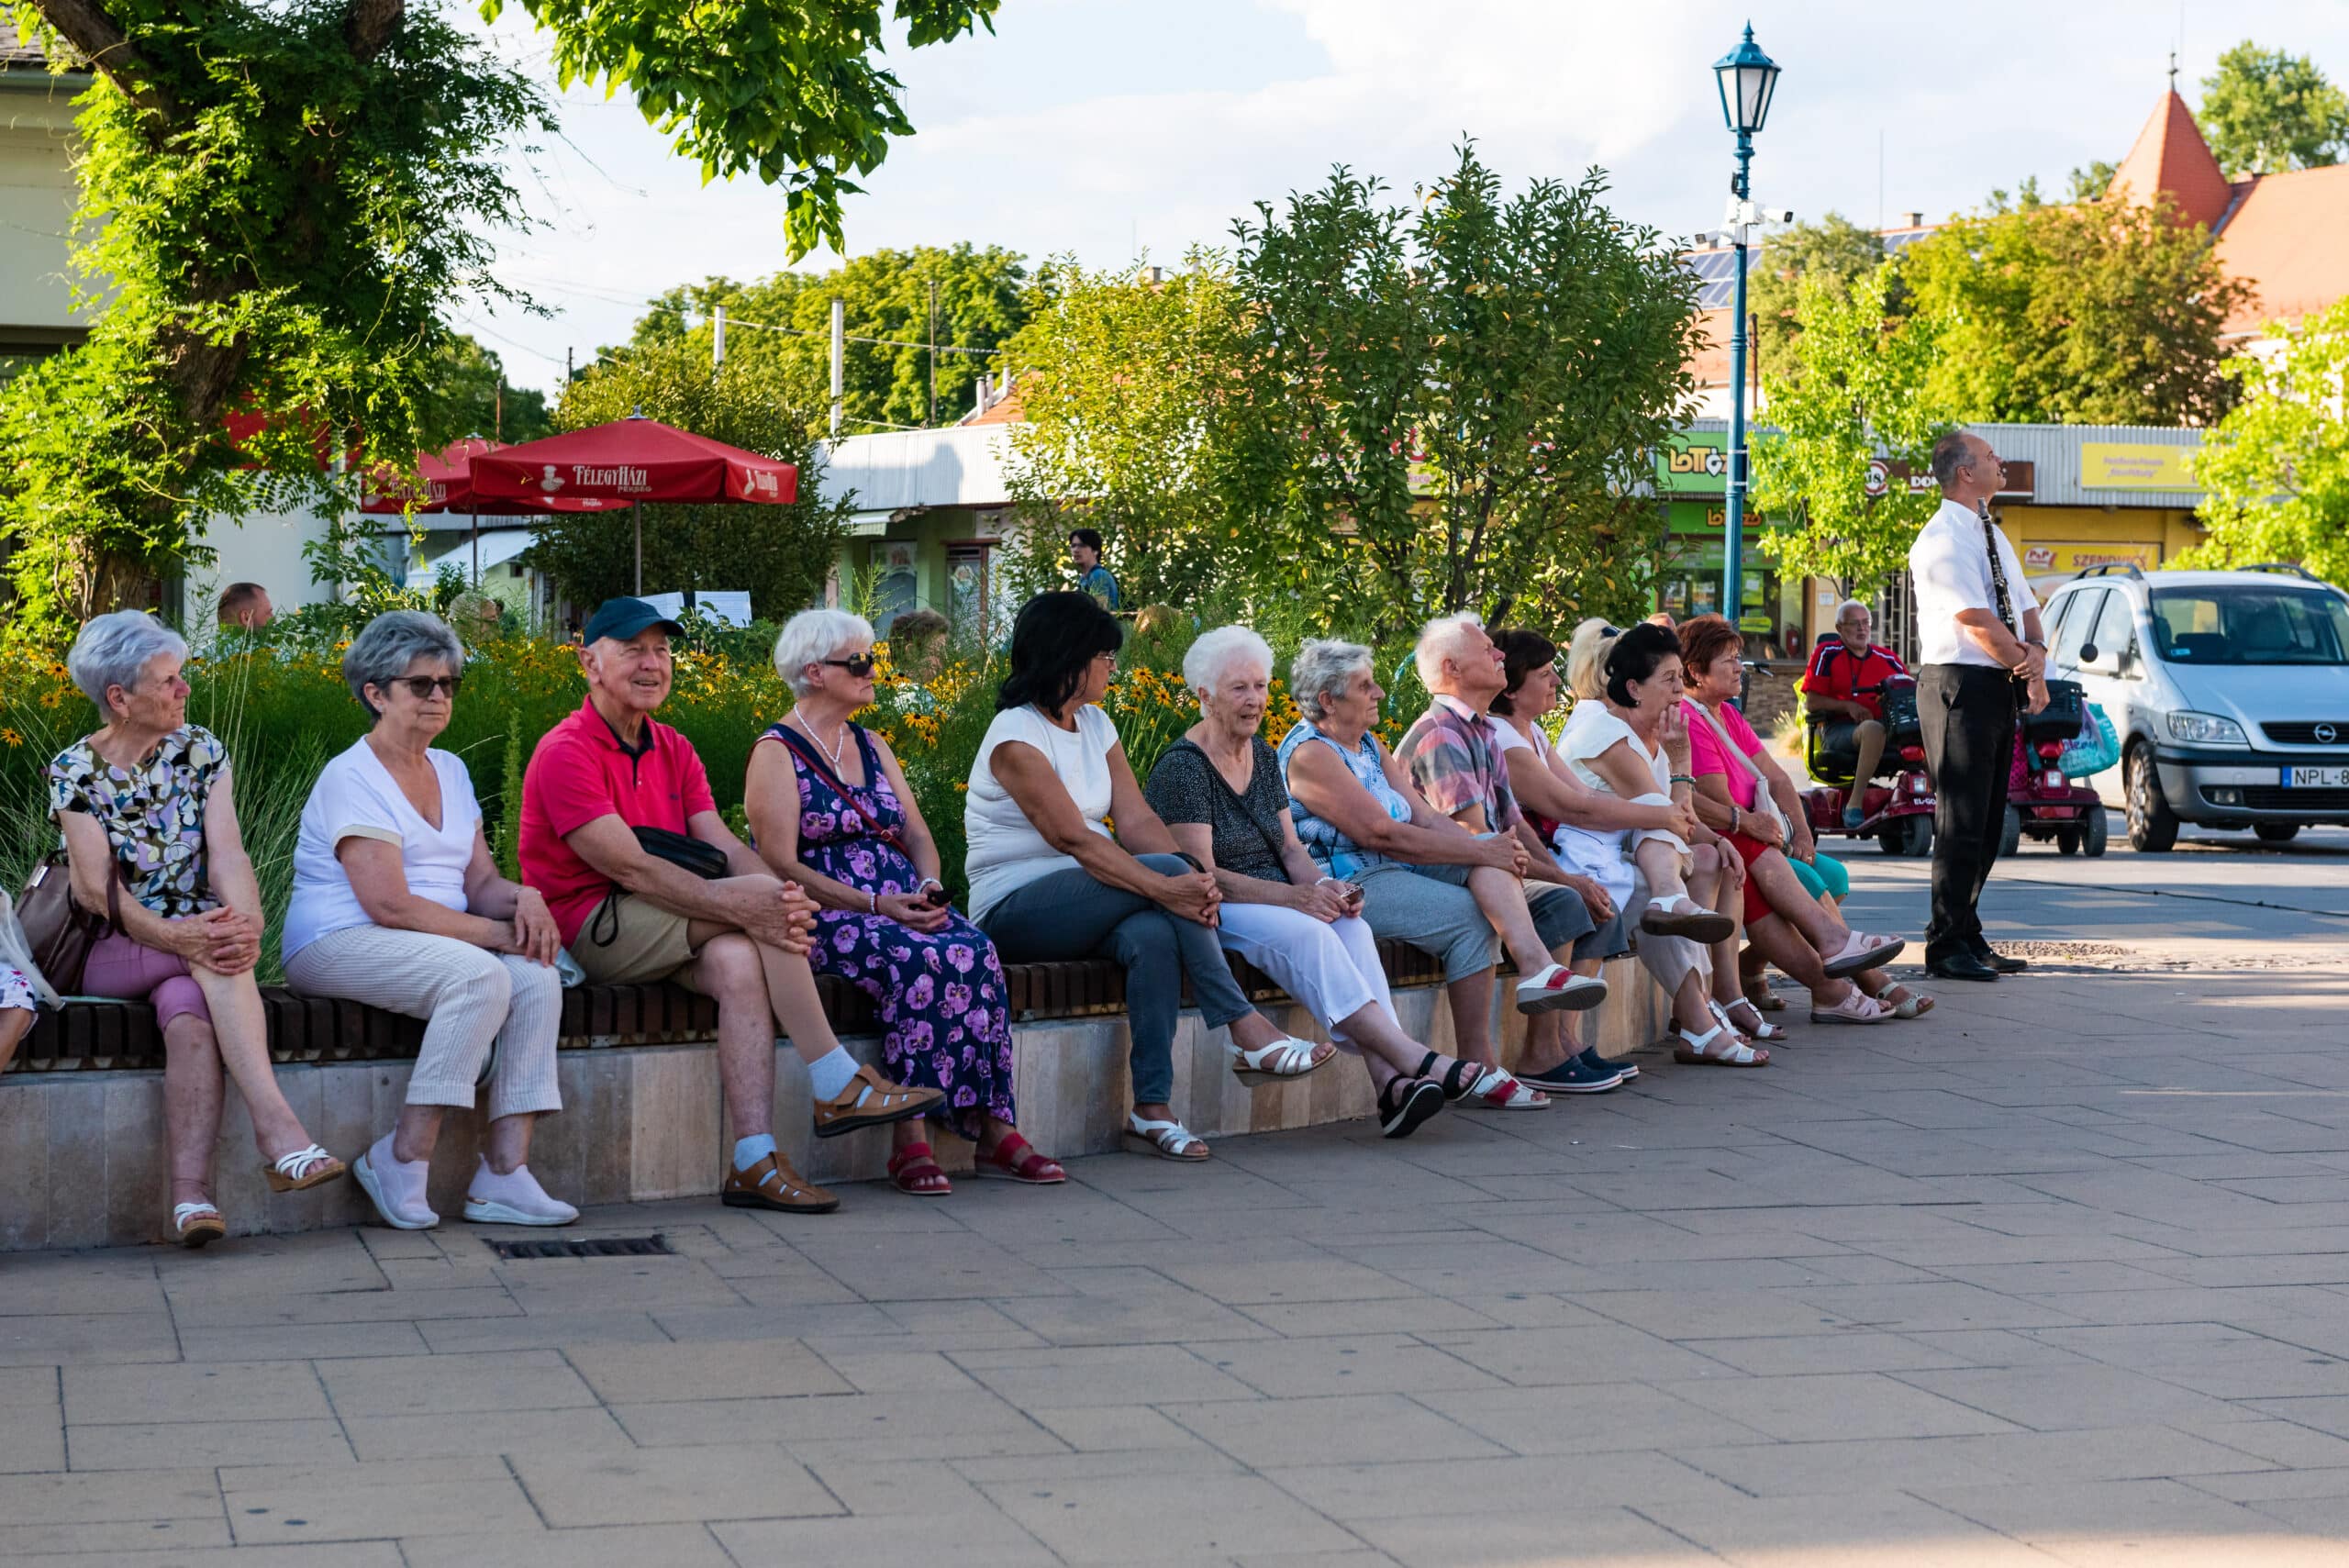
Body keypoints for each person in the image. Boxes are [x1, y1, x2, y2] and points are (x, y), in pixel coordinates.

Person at [519, 595, 943, 1218]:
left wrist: (782, 893)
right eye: (633, 650)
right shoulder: (567, 750)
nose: (652, 663)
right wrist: (752, 903)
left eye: (661, 650)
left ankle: (753, 1159)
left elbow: (721, 845)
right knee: (759, 908)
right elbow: (630, 868)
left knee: (743, 958)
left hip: (665, 917)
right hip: (593, 924)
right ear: (590, 663)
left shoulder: (672, 746)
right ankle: (835, 1079)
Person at [964, 593, 1331, 1162]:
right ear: (1068, 656)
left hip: (1093, 895)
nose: (1114, 666)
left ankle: (1152, 1108)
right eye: (1105, 655)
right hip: (1016, 907)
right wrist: (1168, 884)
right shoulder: (1015, 735)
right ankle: (1244, 1026)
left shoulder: (1095, 723)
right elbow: (1073, 838)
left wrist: (1194, 878)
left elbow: (1135, 821)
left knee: (1154, 935)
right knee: (1166, 878)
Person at [1145, 627, 1513, 1139]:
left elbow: (1291, 850)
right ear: (1205, 696)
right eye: (1239, 689)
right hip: (1220, 905)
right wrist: (1296, 897)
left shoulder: (1260, 755)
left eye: (1260, 686)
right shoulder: (1184, 769)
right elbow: (1200, 873)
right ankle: (1413, 1059)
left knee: (1351, 927)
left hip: (1275, 895)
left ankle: (1390, 1086)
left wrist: (1326, 888)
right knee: (1312, 933)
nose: (1255, 700)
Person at [48, 612, 345, 1246]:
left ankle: (192, 1200)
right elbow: (95, 891)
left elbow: (228, 853)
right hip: (111, 946)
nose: (184, 688)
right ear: (119, 698)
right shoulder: (73, 770)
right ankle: (278, 1132)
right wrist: (180, 937)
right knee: (213, 952)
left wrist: (248, 920)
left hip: (191, 942)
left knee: (190, 1017)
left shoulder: (201, 749)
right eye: (168, 680)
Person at [747, 609, 1063, 1196]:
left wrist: (927, 886)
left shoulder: (872, 745)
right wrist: (875, 904)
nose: (874, 670)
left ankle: (994, 1127)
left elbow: (916, 834)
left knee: (977, 950)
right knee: (915, 958)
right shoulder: (776, 751)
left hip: (896, 901)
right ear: (815, 672)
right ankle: (909, 1136)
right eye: (860, 662)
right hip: (832, 910)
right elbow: (780, 862)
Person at [281, 611, 576, 1231]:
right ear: (376, 693)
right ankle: (401, 1157)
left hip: (428, 941)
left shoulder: (450, 770)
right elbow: (388, 904)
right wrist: (500, 937)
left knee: (537, 978)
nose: (439, 695)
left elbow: (479, 884)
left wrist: (525, 900)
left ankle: (505, 1174)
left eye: (448, 683)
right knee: (482, 975)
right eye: (420, 684)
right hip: (337, 941)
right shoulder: (352, 776)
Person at [1279, 639, 1584, 1107]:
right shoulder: (1311, 754)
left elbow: (1423, 817)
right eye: (1365, 686)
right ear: (1328, 701)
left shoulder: (1367, 743)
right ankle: (1481, 1065)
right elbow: (1381, 833)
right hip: (1351, 882)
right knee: (1471, 912)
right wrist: (1484, 850)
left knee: (1486, 853)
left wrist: (1485, 848)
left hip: (1395, 864)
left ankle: (1536, 968)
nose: (1379, 692)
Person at [1495, 626, 1752, 1064]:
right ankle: (1562, 1044)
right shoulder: (1568, 733)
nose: (1557, 680)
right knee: (1622, 889)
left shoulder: (1533, 733)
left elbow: (1591, 798)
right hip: (1557, 860)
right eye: (1544, 673)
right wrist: (1674, 783)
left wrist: (1701, 824)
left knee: (1680, 876)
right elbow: (1577, 807)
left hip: (1586, 856)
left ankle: (1698, 1018)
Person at [1396, 615, 1628, 1095]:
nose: (1499, 654)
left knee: (1590, 902)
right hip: (1435, 871)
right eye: (1487, 650)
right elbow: (1475, 838)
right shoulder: (1441, 732)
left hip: (1479, 865)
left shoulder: (1482, 730)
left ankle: (1561, 1041)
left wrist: (1565, 875)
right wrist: (1562, 882)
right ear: (1452, 668)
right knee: (1563, 901)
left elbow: (1513, 825)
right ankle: (1541, 1053)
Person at [1675, 615, 1903, 1027]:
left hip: (1752, 834)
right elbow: (1718, 804)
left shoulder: (1726, 714)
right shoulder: (1691, 719)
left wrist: (1802, 834)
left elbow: (1779, 778)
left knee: (1831, 874)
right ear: (1696, 671)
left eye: (1739, 658)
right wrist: (1756, 827)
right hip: (1731, 836)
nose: (1740, 668)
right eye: (1729, 660)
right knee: (1800, 881)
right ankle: (1847, 981)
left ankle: (1776, 965)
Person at [1909, 430, 2049, 982]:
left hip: (1996, 681)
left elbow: (2025, 604)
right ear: (1966, 472)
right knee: (1961, 819)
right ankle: (1945, 943)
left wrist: (2036, 655)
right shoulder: (1941, 539)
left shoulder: (1991, 530)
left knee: (1989, 820)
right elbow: (1976, 621)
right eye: (1990, 456)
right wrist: (2027, 666)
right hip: (1958, 685)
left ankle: (1967, 931)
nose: (2000, 461)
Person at [1803, 599, 1909, 827]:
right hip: (1838, 730)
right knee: (1873, 729)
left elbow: (1909, 692)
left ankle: (1940, 801)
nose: (1862, 629)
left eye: (1865, 623)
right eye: (1854, 623)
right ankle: (1854, 804)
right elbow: (1811, 702)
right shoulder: (1826, 653)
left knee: (1929, 729)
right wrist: (1848, 706)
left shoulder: (1888, 659)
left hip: (1887, 729)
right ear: (1839, 628)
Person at [1068, 528, 1121, 612]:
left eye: (1082, 545)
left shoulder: (1099, 575)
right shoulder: (1084, 578)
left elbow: (1099, 612)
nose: (1076, 550)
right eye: (1073, 546)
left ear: (1095, 550)